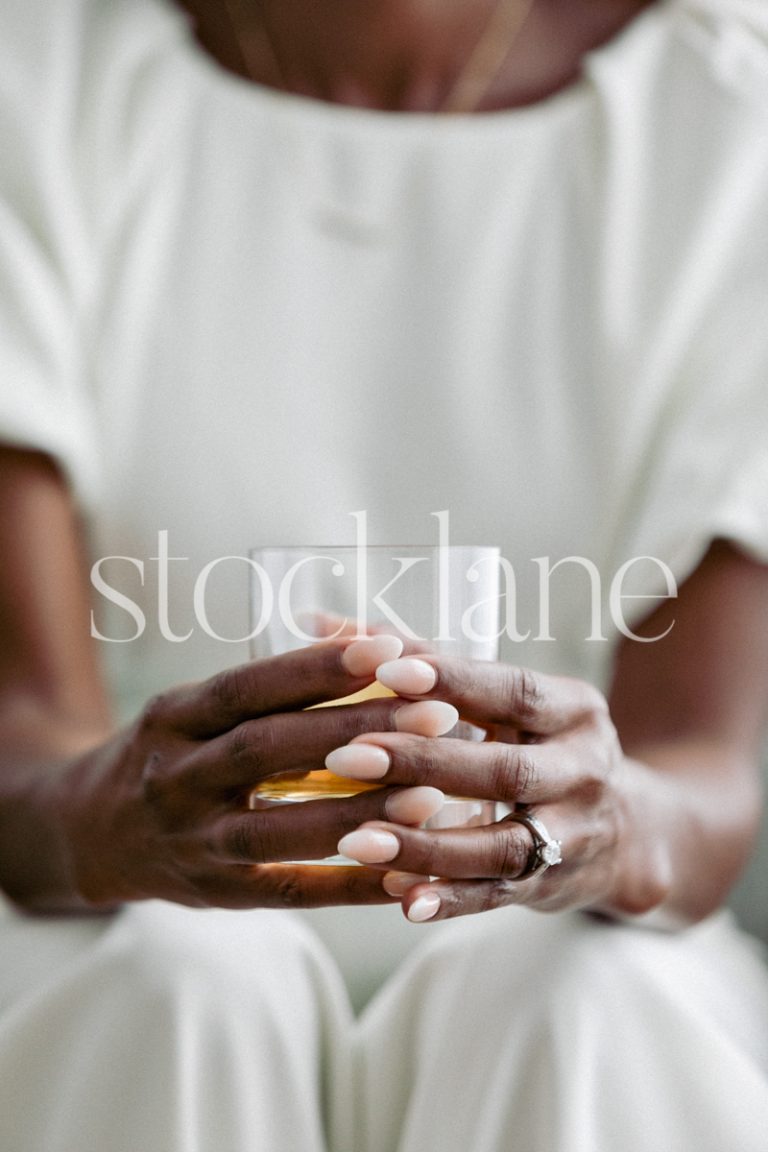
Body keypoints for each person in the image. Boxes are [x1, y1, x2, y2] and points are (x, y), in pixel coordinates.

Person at [1, 1, 767, 1149]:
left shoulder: (731, 106)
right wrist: (118, 814)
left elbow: (702, 764)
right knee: (175, 982)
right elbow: (24, 728)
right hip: (115, 931)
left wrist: (602, 822)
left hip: (572, 945)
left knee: (580, 1003)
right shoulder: (36, 71)